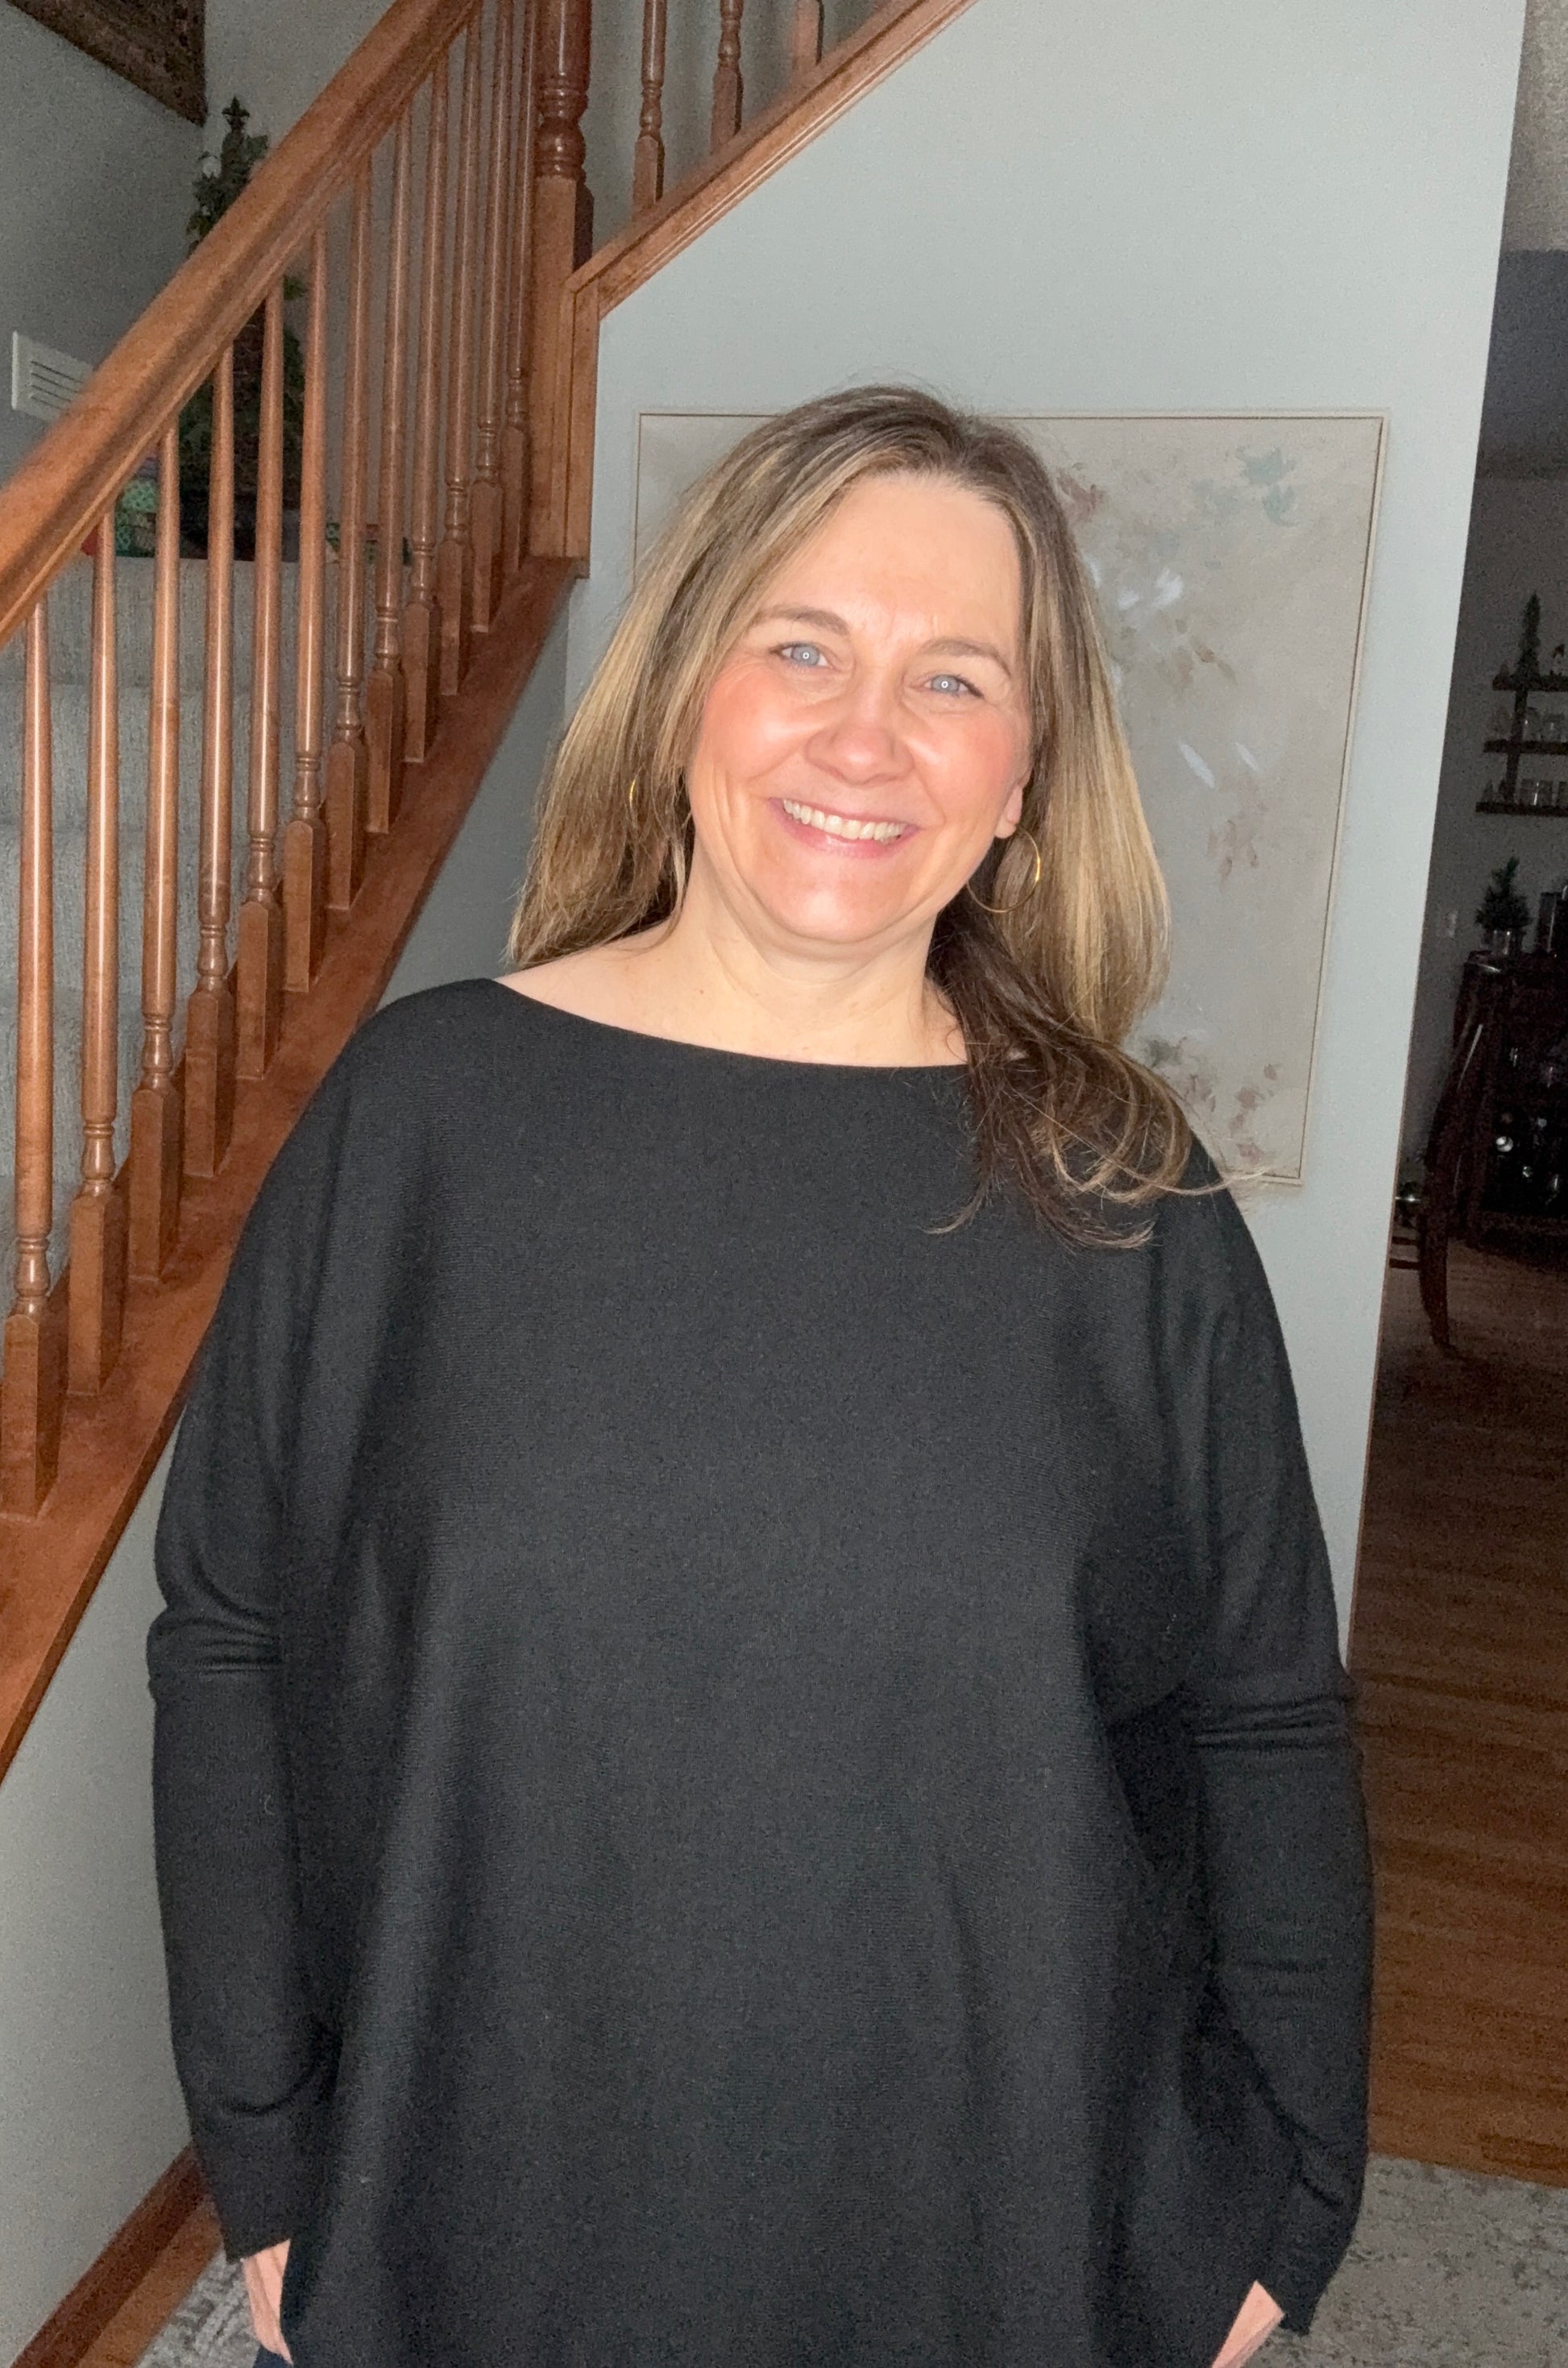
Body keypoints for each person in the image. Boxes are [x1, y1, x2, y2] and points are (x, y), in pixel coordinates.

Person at [148, 386, 1371, 2368]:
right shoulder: (421, 1123)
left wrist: (1293, 2185)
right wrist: (268, 2154)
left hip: (1004, 2230)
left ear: (1024, 777)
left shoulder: (1128, 1199)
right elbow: (231, 1637)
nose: (863, 737)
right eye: (800, 646)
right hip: (477, 2213)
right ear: (681, 696)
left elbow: (1262, 1713)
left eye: (952, 678)